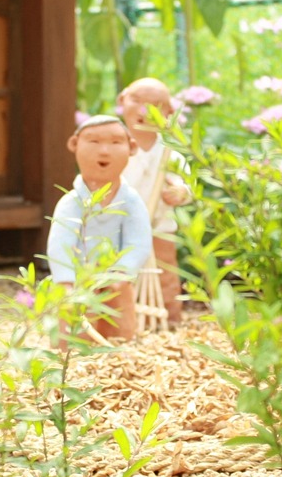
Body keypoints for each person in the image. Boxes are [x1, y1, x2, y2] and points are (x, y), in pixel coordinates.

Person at [46, 115, 153, 342]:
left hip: (115, 275)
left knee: (120, 315)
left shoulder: (131, 201)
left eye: (115, 143)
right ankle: (72, 354)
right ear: (74, 145)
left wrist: (123, 270)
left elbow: (139, 241)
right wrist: (65, 279)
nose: (104, 151)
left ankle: (118, 348)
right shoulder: (70, 203)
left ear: (131, 148)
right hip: (79, 276)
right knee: (74, 318)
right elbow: (60, 243)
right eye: (93, 142)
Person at [117, 77, 192, 324]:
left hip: (159, 228)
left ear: (169, 112)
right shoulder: (116, 148)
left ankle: (170, 318)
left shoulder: (170, 153)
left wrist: (180, 192)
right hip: (121, 229)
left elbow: (186, 184)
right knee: (119, 275)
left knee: (165, 272)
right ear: (121, 101)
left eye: (154, 105)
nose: (143, 111)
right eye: (136, 101)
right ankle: (122, 319)